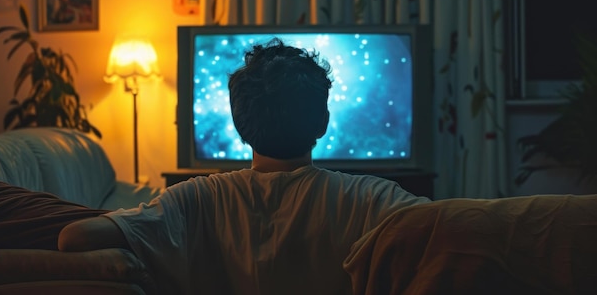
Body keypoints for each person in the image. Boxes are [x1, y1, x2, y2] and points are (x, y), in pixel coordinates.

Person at [58, 38, 430, 294]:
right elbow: (454, 224)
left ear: (239, 126)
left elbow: (74, 237)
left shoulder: (196, 198)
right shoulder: (369, 199)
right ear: (323, 122)